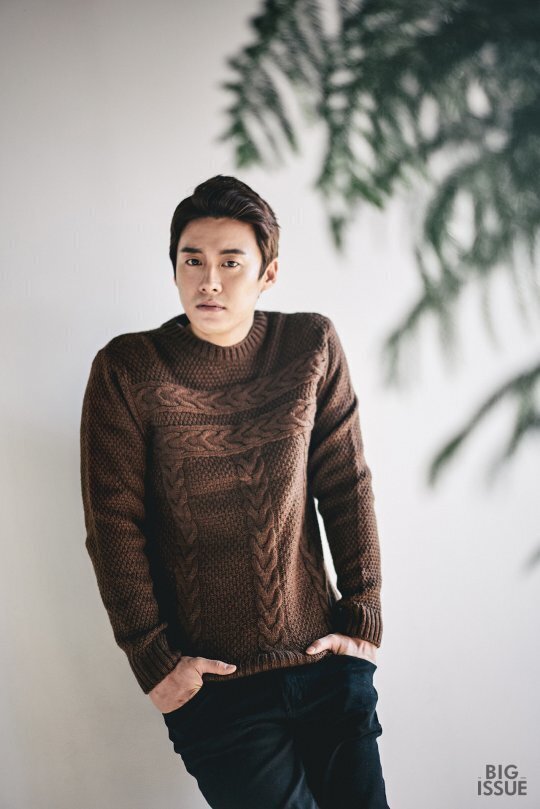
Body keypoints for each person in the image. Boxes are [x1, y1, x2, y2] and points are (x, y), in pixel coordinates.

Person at [80, 174, 391, 808]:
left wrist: (363, 616)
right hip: (215, 691)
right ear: (174, 269)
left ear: (268, 273)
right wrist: (154, 662)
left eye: (230, 262)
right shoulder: (127, 370)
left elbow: (345, 483)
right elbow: (113, 525)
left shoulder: (310, 345)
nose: (209, 281)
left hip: (324, 665)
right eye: (192, 260)